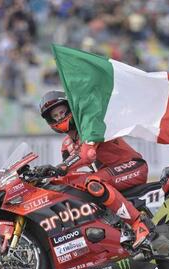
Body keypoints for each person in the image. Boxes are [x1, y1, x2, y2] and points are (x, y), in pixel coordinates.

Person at [36, 90, 155, 249]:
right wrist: (44, 181)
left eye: (62, 112)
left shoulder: (90, 126)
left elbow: (87, 155)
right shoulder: (66, 145)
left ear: (71, 109)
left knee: (91, 181)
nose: (59, 118)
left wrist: (58, 168)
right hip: (111, 174)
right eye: (55, 116)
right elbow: (67, 175)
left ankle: (138, 223)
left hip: (133, 166)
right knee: (74, 187)